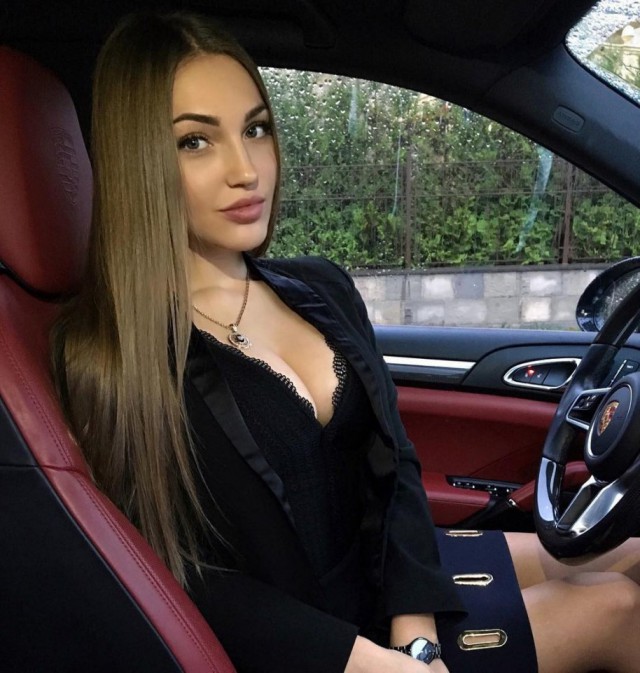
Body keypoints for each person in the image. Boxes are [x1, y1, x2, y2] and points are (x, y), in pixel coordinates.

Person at [51, 10, 640, 673]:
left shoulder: (321, 286)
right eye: (195, 141)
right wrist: (375, 663)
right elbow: (178, 577)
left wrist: (415, 631)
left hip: (392, 577)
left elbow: (395, 466)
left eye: (256, 129)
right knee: (618, 605)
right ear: (138, 161)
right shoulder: (108, 357)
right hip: (314, 645)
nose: (247, 170)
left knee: (628, 556)